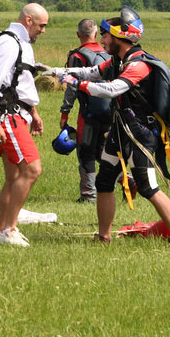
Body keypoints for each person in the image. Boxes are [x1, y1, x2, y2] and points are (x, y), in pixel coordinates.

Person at [43, 8, 170, 249]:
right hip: (120, 130)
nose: (101, 41)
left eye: (105, 36)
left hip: (140, 133)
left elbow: (112, 89)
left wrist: (77, 85)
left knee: (147, 186)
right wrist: (56, 71)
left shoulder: (139, 64)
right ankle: (104, 236)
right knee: (104, 181)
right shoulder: (117, 61)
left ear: (119, 37)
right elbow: (91, 72)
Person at [0, 3, 49, 247]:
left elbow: (20, 83)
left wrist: (34, 112)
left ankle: (0, 234)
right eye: (41, 25)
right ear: (28, 20)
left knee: (14, 176)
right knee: (32, 170)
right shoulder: (9, 43)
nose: (43, 31)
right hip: (6, 116)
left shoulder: (22, 44)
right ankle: (10, 230)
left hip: (18, 114)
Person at [59, 18, 111, 203]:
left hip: (88, 114)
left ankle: (89, 195)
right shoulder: (108, 53)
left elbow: (72, 87)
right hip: (110, 112)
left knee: (86, 152)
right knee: (104, 152)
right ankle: (126, 179)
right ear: (96, 34)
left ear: (78, 35)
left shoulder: (77, 56)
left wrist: (65, 113)